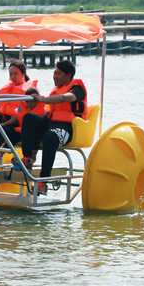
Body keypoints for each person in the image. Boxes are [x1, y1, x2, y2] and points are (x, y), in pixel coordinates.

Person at [19, 59, 87, 195]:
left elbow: (65, 98)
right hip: (51, 123)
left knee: (50, 138)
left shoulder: (77, 89)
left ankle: (43, 182)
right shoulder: (56, 89)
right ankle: (28, 158)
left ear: (68, 75)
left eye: (58, 74)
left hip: (68, 127)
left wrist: (42, 99)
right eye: (54, 73)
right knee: (29, 118)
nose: (54, 76)